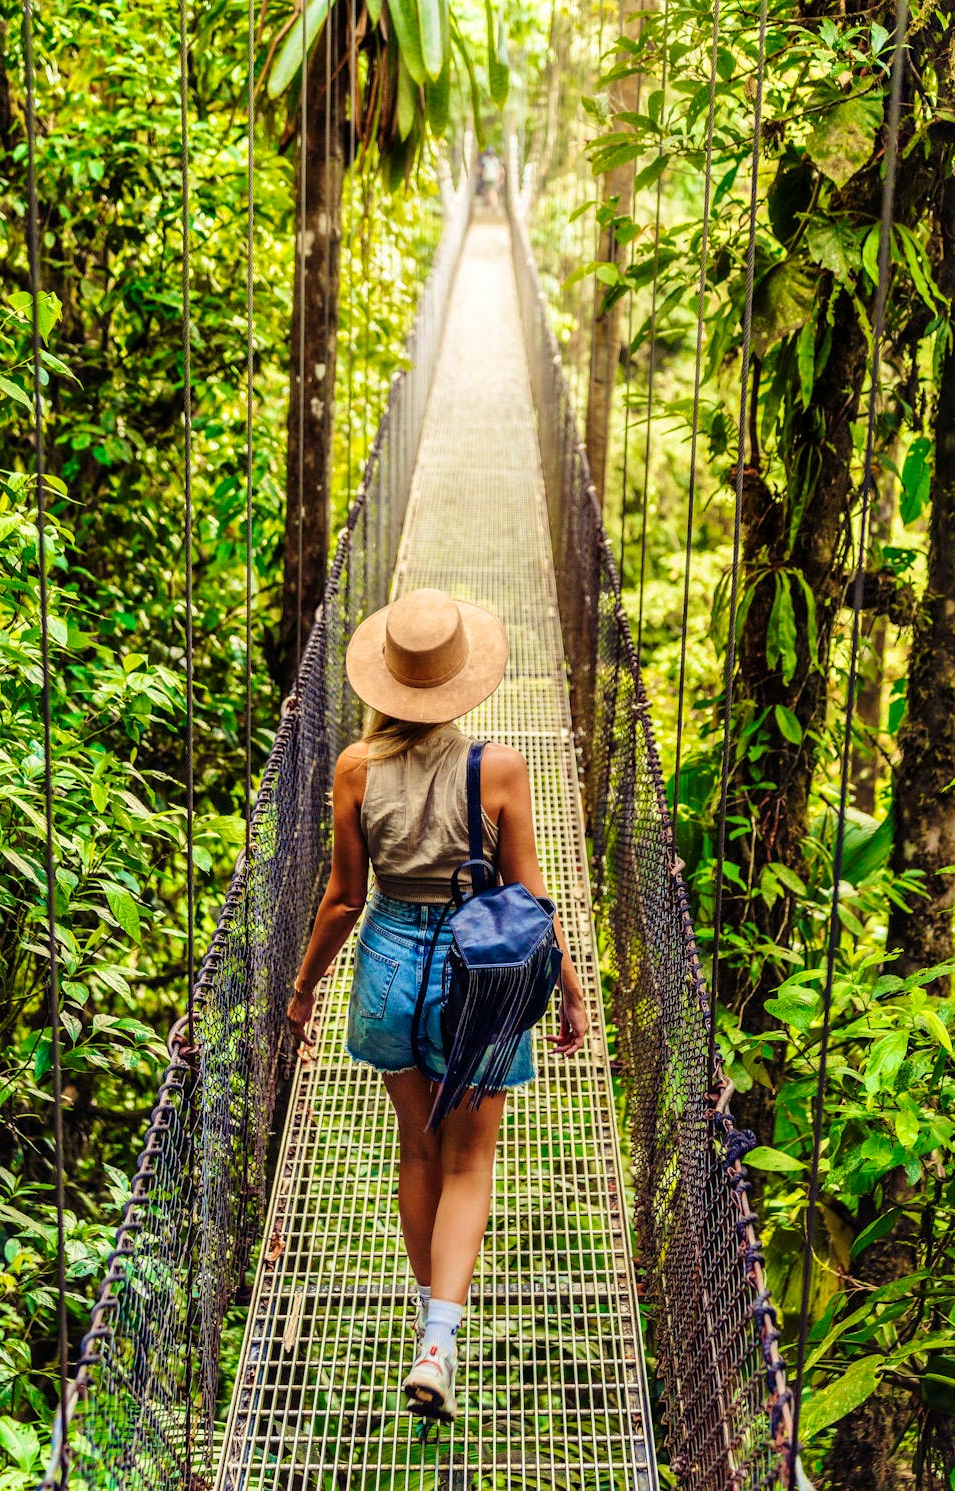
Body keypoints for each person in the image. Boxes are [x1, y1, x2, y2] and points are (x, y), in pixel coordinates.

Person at [286, 587, 589, 1424]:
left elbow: (345, 898)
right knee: (468, 1164)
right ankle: (438, 1339)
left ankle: (433, 1325)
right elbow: (528, 894)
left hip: (388, 966)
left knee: (417, 1153)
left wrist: (305, 987)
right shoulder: (498, 767)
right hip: (479, 974)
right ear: (461, 681)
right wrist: (566, 987)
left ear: (385, 681)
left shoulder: (355, 767)